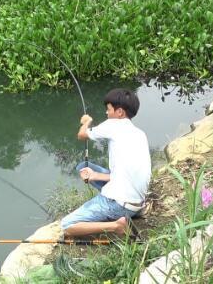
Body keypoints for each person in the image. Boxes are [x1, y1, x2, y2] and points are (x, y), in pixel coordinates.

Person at [61, 88, 151, 237]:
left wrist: (86, 122)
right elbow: (125, 173)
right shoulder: (140, 134)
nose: (107, 113)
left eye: (108, 109)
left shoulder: (113, 125)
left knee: (67, 226)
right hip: (137, 201)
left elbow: (82, 135)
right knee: (85, 167)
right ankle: (133, 212)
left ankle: (117, 226)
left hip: (118, 204)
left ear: (120, 112)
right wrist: (95, 175)